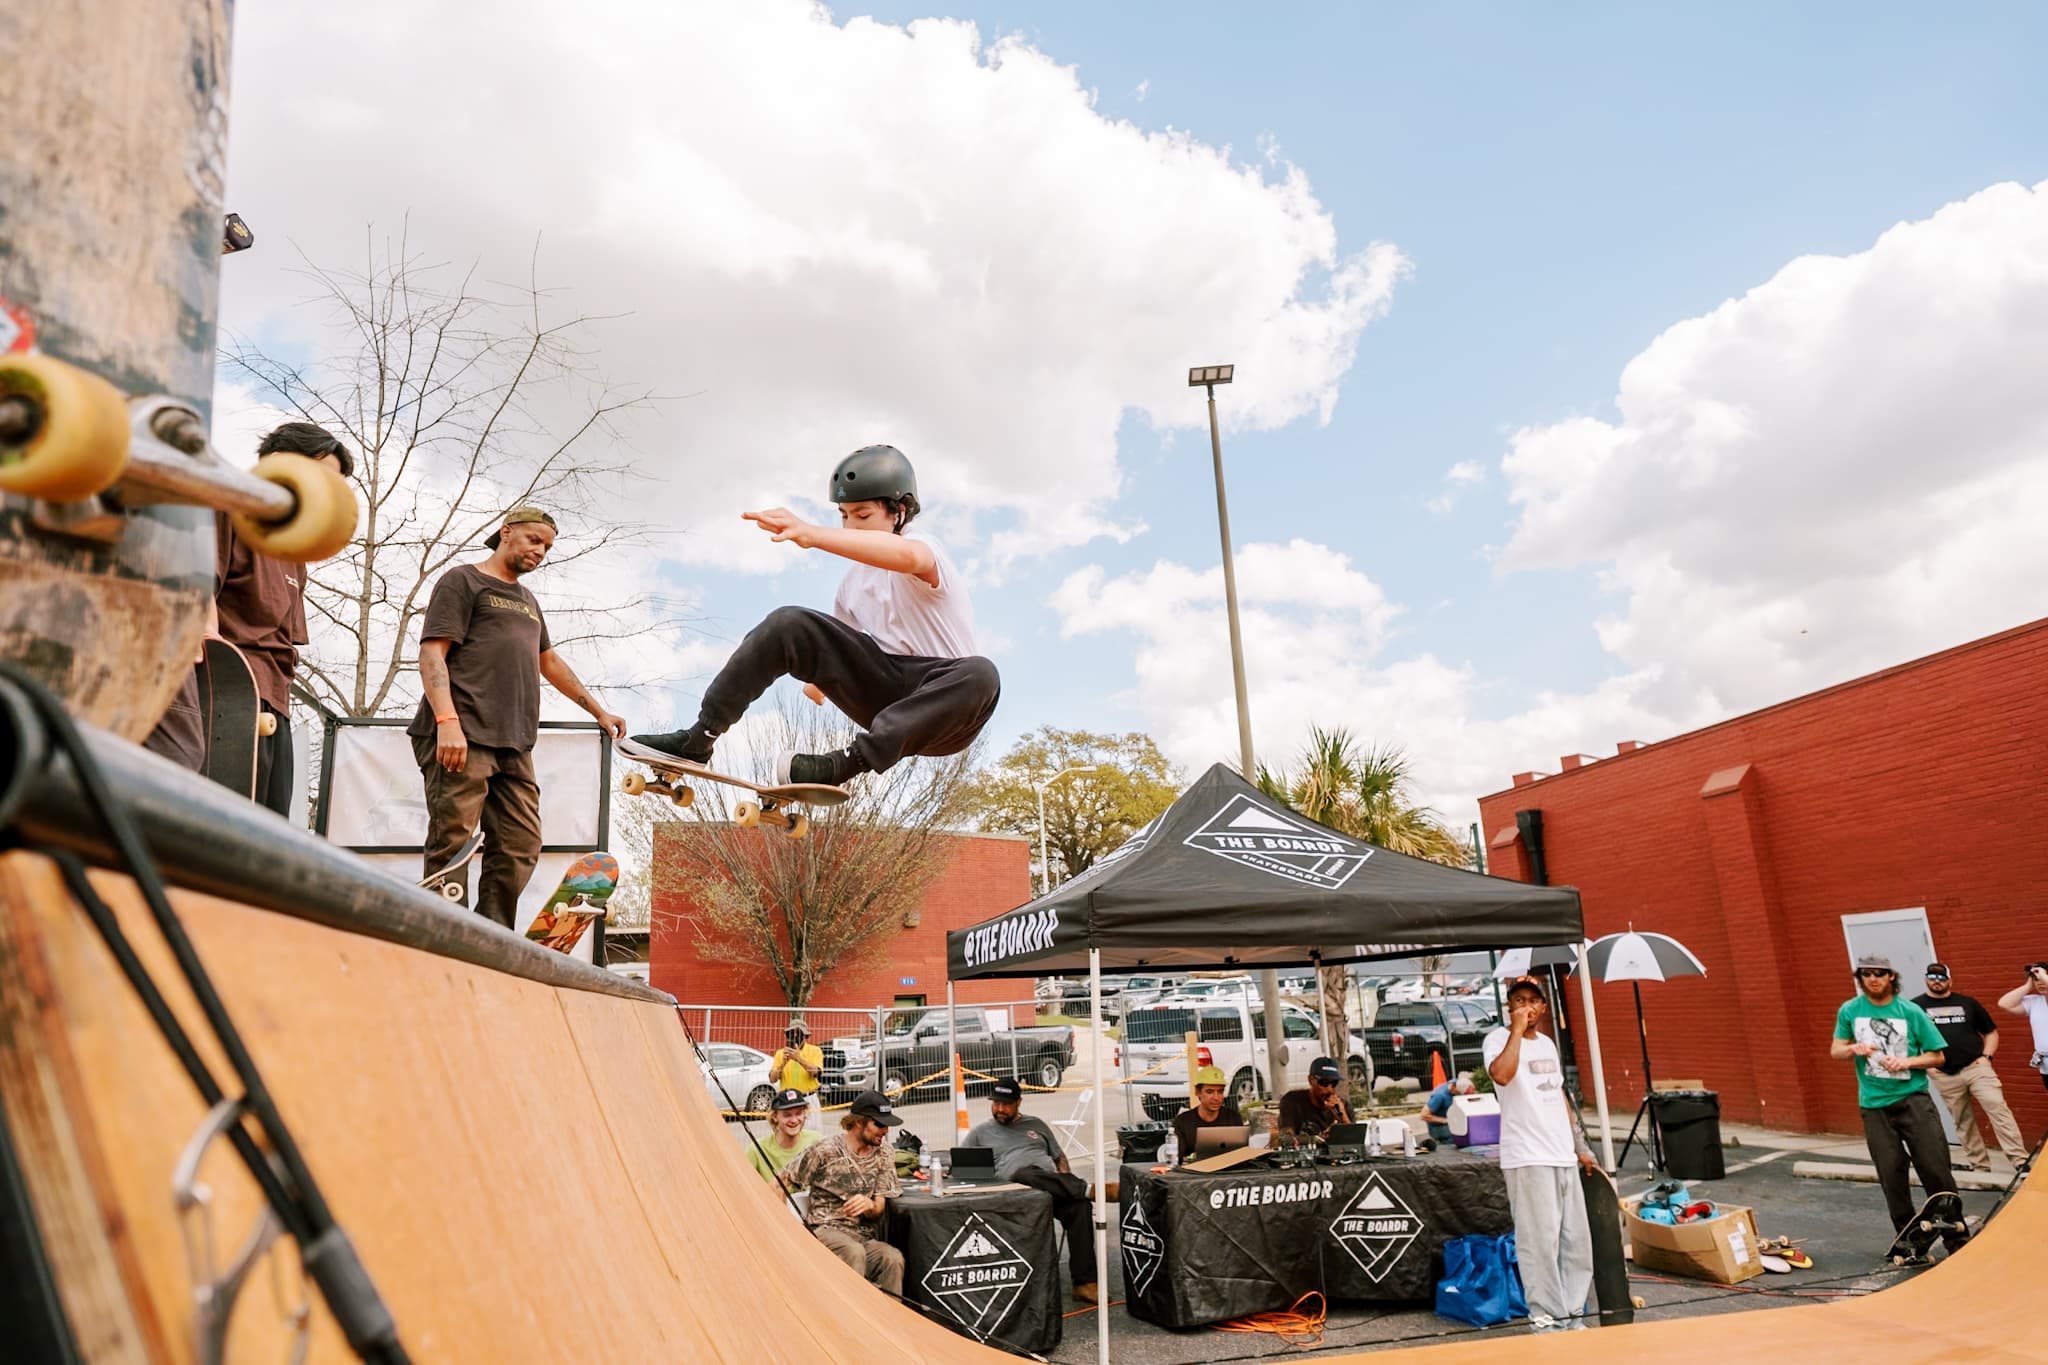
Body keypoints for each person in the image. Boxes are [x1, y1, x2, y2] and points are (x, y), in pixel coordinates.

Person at [629, 445, 999, 787]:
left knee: (982, 673)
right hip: (886, 693)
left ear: (898, 512)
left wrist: (812, 533)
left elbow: (907, 556)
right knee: (789, 623)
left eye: (863, 515)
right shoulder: (852, 586)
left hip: (947, 707)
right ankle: (700, 738)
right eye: (843, 516)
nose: (850, 527)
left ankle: (841, 765)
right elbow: (837, 651)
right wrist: (815, 682)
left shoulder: (924, 549)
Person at [408, 507, 626, 926]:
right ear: (506, 534)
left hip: (514, 742)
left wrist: (599, 710)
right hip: (464, 732)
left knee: (520, 843)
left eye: (547, 546)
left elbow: (550, 662)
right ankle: (443, 932)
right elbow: (432, 653)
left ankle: (491, 933)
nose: (540, 551)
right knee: (452, 841)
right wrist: (446, 721)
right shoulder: (463, 580)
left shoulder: (527, 601)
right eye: (533, 540)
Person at [144, 422, 354, 790]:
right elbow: (198, 583)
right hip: (226, 697)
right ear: (278, 462)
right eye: (320, 475)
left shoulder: (293, 548)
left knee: (266, 824)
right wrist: (209, 642)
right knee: (216, 817)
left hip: (276, 701)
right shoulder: (227, 506)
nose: (326, 491)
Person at [1831, 954, 1966, 1254]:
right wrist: (1853, 1047)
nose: (1873, 979)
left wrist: (1906, 1061)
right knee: (1891, 1173)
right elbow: (1836, 1050)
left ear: (1891, 976)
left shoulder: (1910, 1011)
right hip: (1874, 1106)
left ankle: (1956, 1238)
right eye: (1866, 974)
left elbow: (1938, 1056)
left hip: (1912, 1100)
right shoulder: (1850, 1010)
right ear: (1860, 978)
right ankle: (1910, 1240)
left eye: (1879, 973)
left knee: (1935, 1168)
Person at [1483, 977, 1597, 1332]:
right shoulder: (1498, 1040)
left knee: (1576, 1242)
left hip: (1561, 1153)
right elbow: (1501, 1076)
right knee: (1539, 1244)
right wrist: (1515, 1031)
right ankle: (1547, 1321)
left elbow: (1558, 1095)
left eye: (1533, 1001)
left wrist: (1580, 1145)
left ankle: (1573, 1314)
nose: (1527, 1007)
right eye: (1519, 1001)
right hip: (1527, 1156)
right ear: (1509, 1007)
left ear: (1544, 1008)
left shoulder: (1547, 1043)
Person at [960, 1079, 1097, 1303]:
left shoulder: (1037, 1125)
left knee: (1080, 1207)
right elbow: (962, 1164)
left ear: (1019, 1103)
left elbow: (1059, 1157)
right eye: (995, 1104)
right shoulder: (980, 1133)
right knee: (1024, 1173)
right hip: (1015, 1193)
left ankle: (1085, 1283)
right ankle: (1087, 1189)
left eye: (1006, 1104)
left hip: (1052, 1190)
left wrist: (1065, 1179)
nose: (1000, 1109)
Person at [783, 1089, 905, 1294]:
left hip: (862, 1235)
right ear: (859, 1122)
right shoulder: (825, 1150)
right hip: (826, 1230)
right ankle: (851, 1321)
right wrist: (783, 1229)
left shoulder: (884, 1153)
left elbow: (879, 1207)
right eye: (879, 1124)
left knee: (892, 1258)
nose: (885, 1131)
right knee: (853, 1252)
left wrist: (869, 1206)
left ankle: (887, 1322)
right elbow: (780, 1181)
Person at [1911, 963, 2028, 1170]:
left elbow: (1991, 1032)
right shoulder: (1915, 1007)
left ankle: (2020, 1161)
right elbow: (1909, 1041)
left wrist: (1987, 1057)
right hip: (1944, 1074)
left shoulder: (1967, 1003)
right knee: (1962, 1120)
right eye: (1932, 978)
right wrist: (1926, 1066)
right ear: (1926, 979)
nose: (1936, 982)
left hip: (1976, 1067)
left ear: (1950, 980)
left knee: (1997, 1107)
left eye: (1941, 978)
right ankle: (1980, 1165)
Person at [747, 1088, 821, 1186]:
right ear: (775, 1116)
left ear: (805, 1114)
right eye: (787, 1115)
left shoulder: (817, 1141)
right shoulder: (756, 1150)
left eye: (798, 1113)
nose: (794, 1120)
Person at [1996, 962, 2048, 1097]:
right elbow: (2004, 1004)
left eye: (2043, 978)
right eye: (2036, 980)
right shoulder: (2035, 1002)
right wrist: (2028, 985)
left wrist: (2043, 976)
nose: (2040, 982)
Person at [1169, 1065, 1244, 1156]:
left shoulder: (1233, 1118)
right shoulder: (1182, 1122)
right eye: (1209, 1092)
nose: (1216, 1098)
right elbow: (1176, 1158)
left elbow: (1240, 1155)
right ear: (1197, 1092)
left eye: (1220, 1091)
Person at [1276, 1057, 1354, 1142]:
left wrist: (1342, 1116)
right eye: (1324, 1083)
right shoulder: (1293, 1102)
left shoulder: (1343, 1106)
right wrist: (1316, 1140)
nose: (1330, 1089)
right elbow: (1286, 1137)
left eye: (1334, 1083)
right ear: (1311, 1080)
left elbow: (1355, 1141)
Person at [769, 1018, 825, 1131]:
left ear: (805, 1036)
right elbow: (772, 1079)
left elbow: (816, 1072)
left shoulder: (815, 1051)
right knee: (788, 1134)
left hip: (808, 1098)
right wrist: (783, 1063)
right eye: (791, 1034)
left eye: (799, 1034)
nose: (795, 1037)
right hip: (786, 1102)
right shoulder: (780, 1053)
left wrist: (799, 1059)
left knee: (813, 1136)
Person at [1424, 1075, 1477, 1146]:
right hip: (1439, 1127)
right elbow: (1424, 1115)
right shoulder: (1439, 1096)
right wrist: (1446, 1120)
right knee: (1461, 1137)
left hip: (1453, 1122)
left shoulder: (1457, 1083)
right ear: (1454, 1088)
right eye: (1461, 1095)